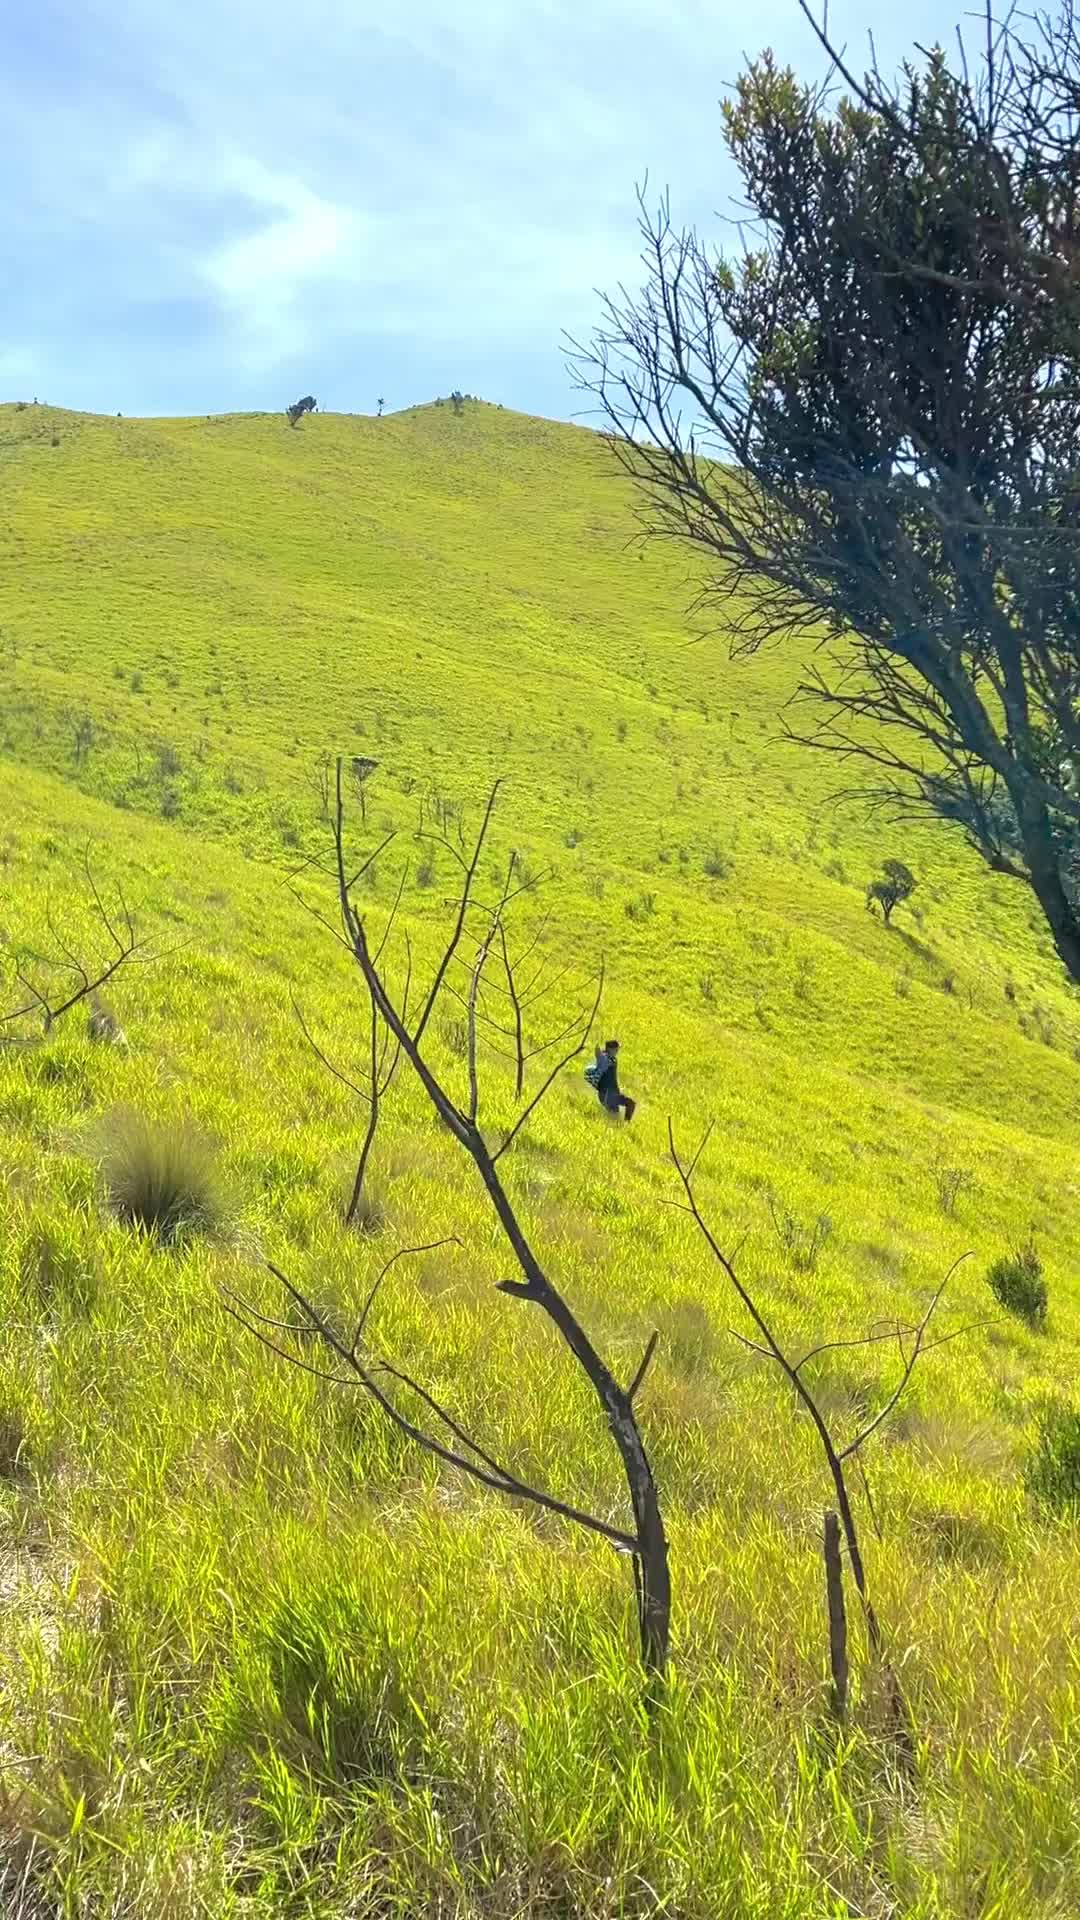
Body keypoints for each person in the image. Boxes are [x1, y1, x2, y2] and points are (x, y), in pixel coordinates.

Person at [589, 1038, 636, 1123]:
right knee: (628, 1105)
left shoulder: (613, 1059)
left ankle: (624, 1125)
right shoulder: (605, 1058)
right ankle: (625, 1125)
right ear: (610, 1049)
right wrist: (598, 1054)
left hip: (613, 1094)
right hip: (607, 1095)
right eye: (616, 1049)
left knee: (618, 1115)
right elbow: (601, 1059)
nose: (617, 1051)